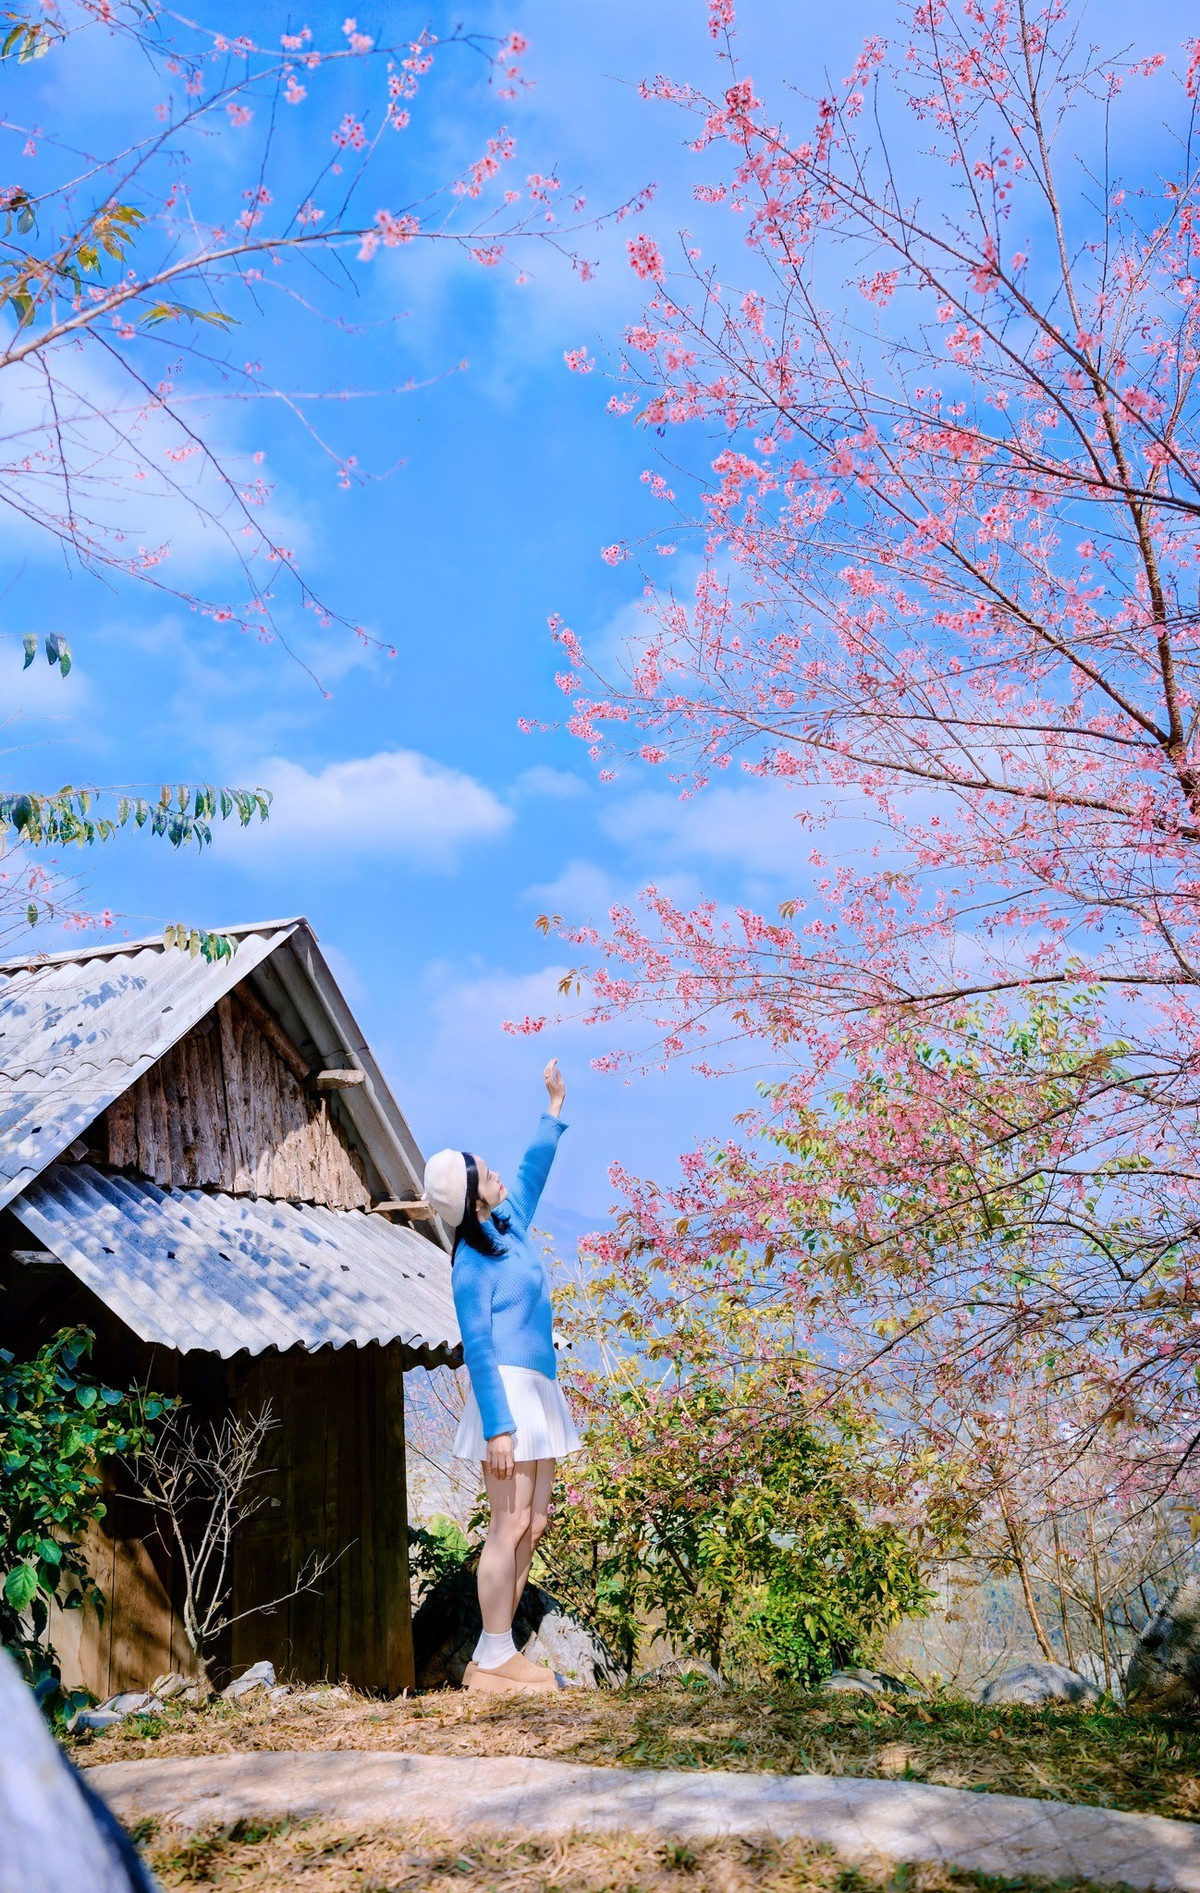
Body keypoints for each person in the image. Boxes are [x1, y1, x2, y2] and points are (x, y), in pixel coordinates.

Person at [422, 1058, 581, 1694]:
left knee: (535, 1523)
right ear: (470, 1197)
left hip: (538, 1391)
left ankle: (499, 1649)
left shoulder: (507, 1228)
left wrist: (554, 1107)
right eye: (482, 1171)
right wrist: (498, 1429)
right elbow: (479, 1350)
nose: (494, 1172)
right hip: (509, 1398)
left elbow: (530, 1173)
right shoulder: (469, 1265)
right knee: (508, 1524)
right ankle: (491, 1658)